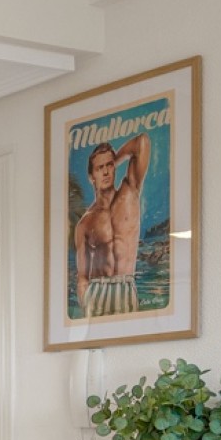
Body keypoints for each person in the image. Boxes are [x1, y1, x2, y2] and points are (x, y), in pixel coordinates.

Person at [71, 133, 150, 318]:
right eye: (100, 168)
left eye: (109, 165)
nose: (106, 172)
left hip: (126, 285)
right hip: (97, 290)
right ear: (91, 176)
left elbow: (142, 142)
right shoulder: (85, 223)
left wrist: (117, 159)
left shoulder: (130, 192)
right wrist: (86, 308)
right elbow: (82, 278)